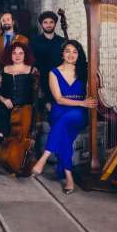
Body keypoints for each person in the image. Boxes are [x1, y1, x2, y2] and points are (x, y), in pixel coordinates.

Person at [31, 40, 97, 194]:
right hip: (60, 109)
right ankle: (69, 176)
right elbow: (59, 99)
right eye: (67, 51)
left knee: (65, 121)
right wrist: (82, 102)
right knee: (64, 133)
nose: (71, 55)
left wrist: (84, 103)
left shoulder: (85, 71)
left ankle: (44, 157)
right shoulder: (54, 72)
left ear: (79, 55)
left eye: (75, 52)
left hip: (78, 113)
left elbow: (94, 89)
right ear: (62, 54)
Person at [0, 43, 37, 172]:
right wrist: (3, 99)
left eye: (20, 53)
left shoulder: (32, 70)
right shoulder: (3, 70)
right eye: (14, 53)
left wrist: (31, 108)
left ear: (25, 55)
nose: (17, 56)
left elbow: (37, 94)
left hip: (24, 109)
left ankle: (17, 157)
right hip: (5, 106)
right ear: (10, 55)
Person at [29, 11, 66, 109]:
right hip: (42, 78)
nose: (48, 25)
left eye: (51, 22)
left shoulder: (62, 41)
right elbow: (31, 60)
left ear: (55, 24)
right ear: (41, 24)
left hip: (59, 78)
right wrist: (34, 67)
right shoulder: (34, 42)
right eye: (45, 22)